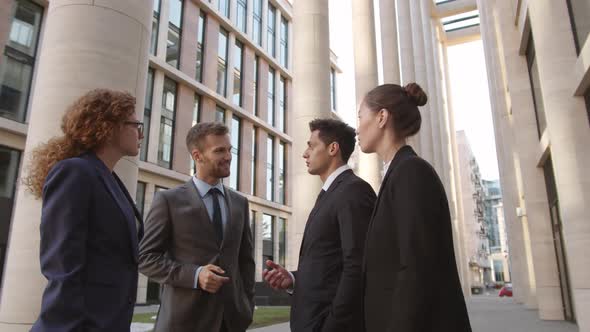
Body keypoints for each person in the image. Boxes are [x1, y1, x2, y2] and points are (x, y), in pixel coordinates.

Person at [27, 89, 145, 331]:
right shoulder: (76, 172)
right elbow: (62, 264)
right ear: (109, 127)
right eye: (135, 124)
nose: (140, 133)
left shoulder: (109, 179)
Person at [357, 83, 472, 331]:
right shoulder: (397, 173)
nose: (357, 128)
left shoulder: (411, 172)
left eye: (360, 116)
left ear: (382, 117)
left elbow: (416, 270)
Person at [139, 122, 255, 332]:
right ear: (197, 155)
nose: (228, 156)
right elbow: (146, 258)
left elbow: (246, 262)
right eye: (220, 150)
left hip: (231, 322)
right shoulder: (168, 200)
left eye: (230, 150)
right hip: (183, 322)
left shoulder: (240, 203)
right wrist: (195, 275)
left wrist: (247, 307)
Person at [263, 119, 376, 332]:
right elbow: (328, 264)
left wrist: (333, 325)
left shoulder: (353, 191)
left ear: (333, 148)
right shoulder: (329, 193)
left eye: (311, 146)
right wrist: (293, 279)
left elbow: (357, 265)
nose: (305, 153)